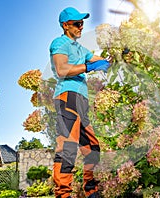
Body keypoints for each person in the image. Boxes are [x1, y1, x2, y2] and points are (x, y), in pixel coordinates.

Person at [49, 7, 110, 198]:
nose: (81, 27)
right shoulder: (60, 42)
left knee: (92, 147)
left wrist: (115, 58)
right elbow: (61, 69)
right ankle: (63, 194)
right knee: (67, 146)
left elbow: (98, 59)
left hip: (81, 101)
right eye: (77, 23)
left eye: (82, 23)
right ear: (66, 25)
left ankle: (91, 191)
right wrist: (87, 67)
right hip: (68, 96)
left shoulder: (80, 48)